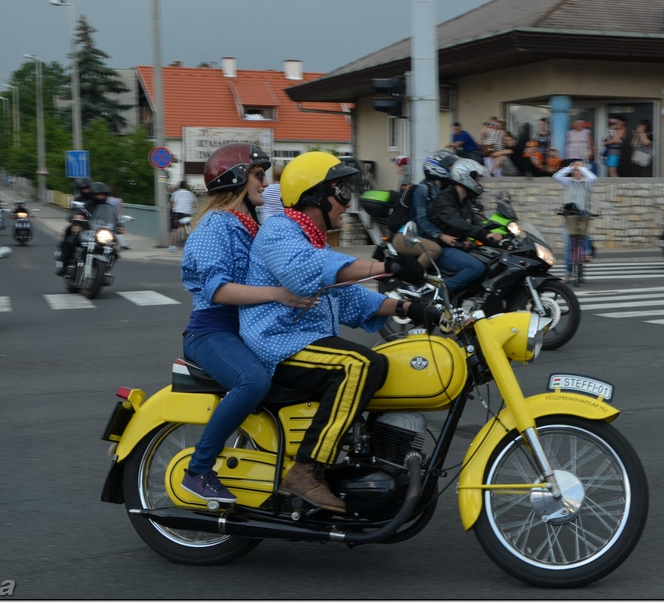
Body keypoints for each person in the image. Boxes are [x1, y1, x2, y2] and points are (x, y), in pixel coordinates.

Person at [240, 151, 428, 512]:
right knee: (360, 364)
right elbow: (304, 271)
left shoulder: (314, 241)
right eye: (340, 191)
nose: (347, 201)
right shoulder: (281, 230)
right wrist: (386, 265)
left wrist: (408, 308)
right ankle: (306, 470)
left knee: (386, 363)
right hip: (278, 342)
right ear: (313, 195)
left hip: (303, 340)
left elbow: (349, 299)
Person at [178, 142, 313, 503]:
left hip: (248, 330)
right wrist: (278, 294)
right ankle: (199, 470)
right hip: (212, 331)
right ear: (235, 178)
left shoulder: (251, 226)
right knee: (253, 380)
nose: (265, 183)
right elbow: (218, 290)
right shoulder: (215, 226)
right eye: (258, 175)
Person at [426, 158, 503, 293]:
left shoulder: (465, 201)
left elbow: (476, 223)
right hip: (441, 247)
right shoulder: (443, 200)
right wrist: (485, 234)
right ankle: (441, 294)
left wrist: (501, 237)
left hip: (458, 246)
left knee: (493, 259)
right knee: (476, 267)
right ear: (465, 177)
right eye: (477, 179)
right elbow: (459, 224)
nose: (479, 183)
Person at [388, 150, 459, 270]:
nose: (452, 170)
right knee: (434, 249)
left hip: (423, 236)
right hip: (407, 237)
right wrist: (440, 235)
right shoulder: (423, 189)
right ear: (437, 168)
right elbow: (421, 219)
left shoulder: (443, 191)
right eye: (449, 167)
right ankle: (412, 279)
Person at [554, 161, 598, 282]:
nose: (576, 171)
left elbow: (593, 177)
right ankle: (568, 273)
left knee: (585, 235)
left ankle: (587, 253)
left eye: (578, 170)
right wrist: (569, 168)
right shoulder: (568, 182)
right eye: (575, 170)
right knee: (568, 246)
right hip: (569, 217)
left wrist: (582, 168)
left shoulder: (587, 183)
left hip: (582, 216)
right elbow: (556, 176)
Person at [55, 177, 102, 275]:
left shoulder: (98, 200)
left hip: (98, 228)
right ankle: (65, 262)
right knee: (70, 237)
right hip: (83, 226)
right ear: (79, 190)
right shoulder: (78, 200)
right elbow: (73, 212)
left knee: (110, 245)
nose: (86, 190)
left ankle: (103, 266)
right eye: (83, 189)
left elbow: (108, 213)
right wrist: (76, 218)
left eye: (88, 188)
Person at [168, 180, 197, 252]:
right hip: (187, 214)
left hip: (177, 213)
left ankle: (172, 247)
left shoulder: (175, 194)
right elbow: (194, 204)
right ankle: (190, 246)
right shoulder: (190, 194)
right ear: (186, 187)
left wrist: (170, 207)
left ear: (179, 186)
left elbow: (171, 204)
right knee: (190, 229)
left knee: (174, 230)